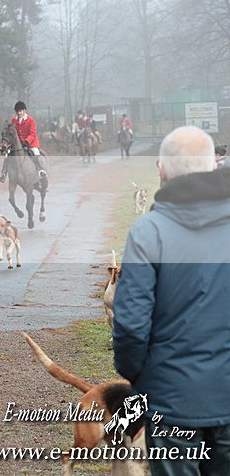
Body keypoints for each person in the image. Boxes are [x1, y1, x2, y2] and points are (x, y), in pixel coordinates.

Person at [113, 125, 230, 476]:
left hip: (170, 400)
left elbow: (131, 326)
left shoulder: (148, 232)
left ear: (162, 171)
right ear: (213, 166)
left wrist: (142, 377)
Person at [0, 101, 47, 182]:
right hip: (17, 144)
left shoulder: (30, 120)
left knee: (35, 152)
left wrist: (26, 142)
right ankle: (3, 173)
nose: (19, 113)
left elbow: (33, 133)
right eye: (17, 111)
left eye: (20, 111)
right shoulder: (13, 120)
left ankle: (41, 170)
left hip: (31, 142)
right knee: (7, 154)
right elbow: (11, 132)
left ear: (24, 110)